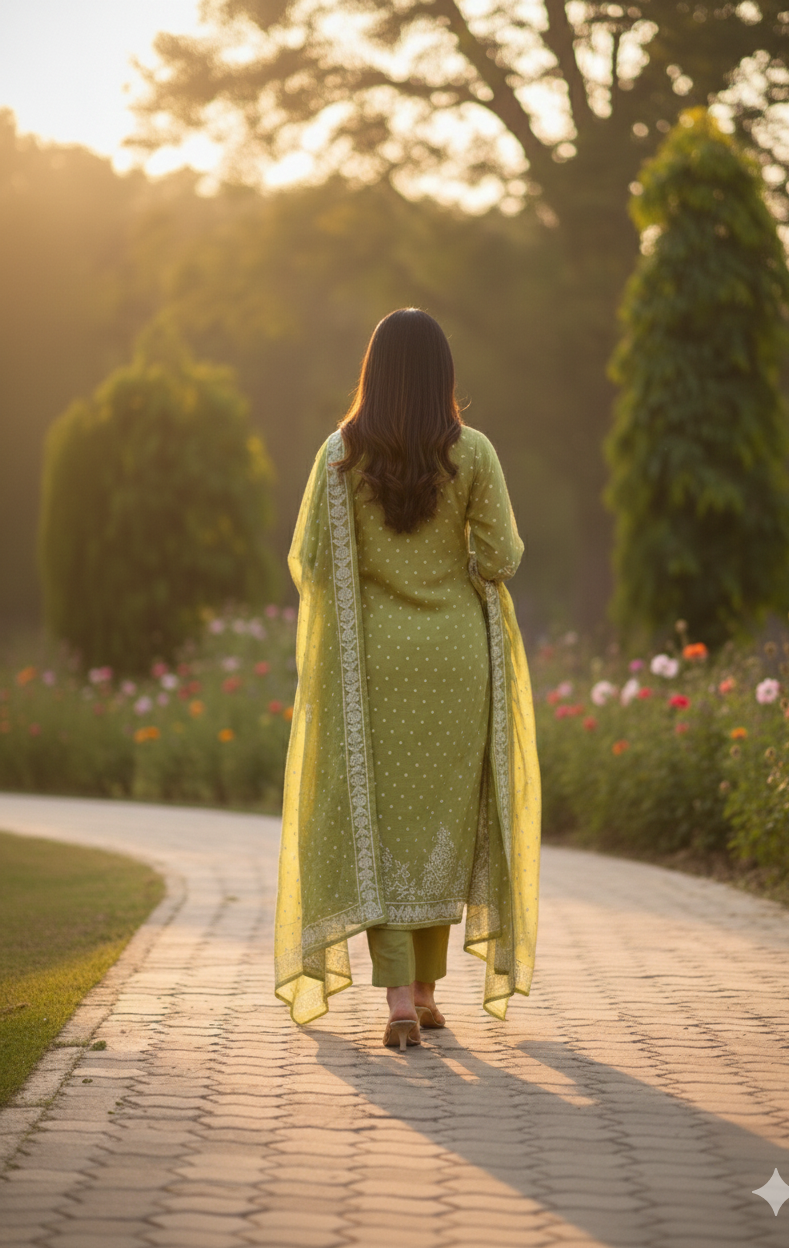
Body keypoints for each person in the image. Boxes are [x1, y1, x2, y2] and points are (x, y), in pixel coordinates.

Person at [275, 308, 540, 1049]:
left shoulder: (340, 457)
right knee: (440, 830)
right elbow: (502, 557)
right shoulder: (475, 453)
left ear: (375, 372)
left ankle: (395, 1000)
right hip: (456, 660)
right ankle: (425, 993)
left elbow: (314, 564)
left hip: (374, 665)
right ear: (442, 376)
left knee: (379, 824)